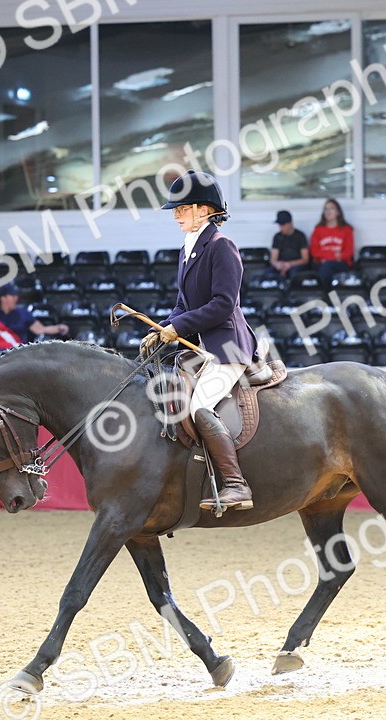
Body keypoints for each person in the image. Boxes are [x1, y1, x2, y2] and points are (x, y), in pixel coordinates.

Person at [142, 170, 257, 512]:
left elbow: (223, 304)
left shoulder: (222, 246)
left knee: (200, 407)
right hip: (200, 349)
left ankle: (236, 484)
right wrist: (161, 327)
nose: (175, 214)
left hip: (227, 348)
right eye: (175, 210)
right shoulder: (187, 249)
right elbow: (184, 304)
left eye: (182, 208)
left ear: (204, 210)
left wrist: (179, 327)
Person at [0, 282, 69, 358]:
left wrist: (58, 327)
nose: (16, 298)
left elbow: (40, 329)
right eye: (12, 295)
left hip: (16, 352)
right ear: (3, 298)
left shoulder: (23, 313)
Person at [309, 198, 355, 286]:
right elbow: (314, 252)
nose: (328, 211)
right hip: (322, 264)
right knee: (325, 267)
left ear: (338, 212)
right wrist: (334, 255)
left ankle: (324, 294)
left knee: (327, 266)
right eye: (326, 209)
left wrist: (327, 256)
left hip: (341, 264)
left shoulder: (347, 229)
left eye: (331, 208)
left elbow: (349, 253)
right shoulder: (318, 229)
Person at [268, 210, 310, 279]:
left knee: (295, 274)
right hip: (281, 265)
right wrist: (277, 264)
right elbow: (273, 258)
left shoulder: (300, 236)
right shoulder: (277, 237)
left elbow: (305, 259)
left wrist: (290, 264)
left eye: (283, 225)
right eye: (280, 225)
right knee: (269, 274)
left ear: (291, 223)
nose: (281, 228)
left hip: (296, 266)